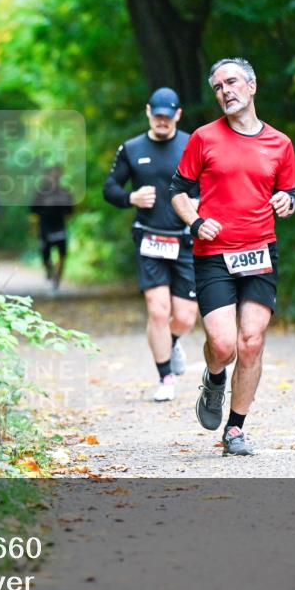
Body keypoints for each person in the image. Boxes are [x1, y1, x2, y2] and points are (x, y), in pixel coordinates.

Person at [169, 57, 295, 456]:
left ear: (252, 86)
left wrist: (285, 202)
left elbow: (290, 195)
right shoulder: (204, 138)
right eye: (218, 87)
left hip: (260, 253)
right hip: (214, 254)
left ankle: (235, 429)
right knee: (223, 346)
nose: (226, 91)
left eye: (232, 82)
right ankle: (213, 377)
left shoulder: (280, 144)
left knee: (252, 341)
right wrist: (195, 222)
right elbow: (178, 191)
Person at [104, 87, 199, 403]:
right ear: (148, 112)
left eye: (167, 117)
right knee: (158, 311)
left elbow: (210, 184)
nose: (162, 121)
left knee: (185, 317)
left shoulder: (191, 144)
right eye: (157, 116)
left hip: (185, 240)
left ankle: (171, 343)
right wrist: (130, 197)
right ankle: (165, 377)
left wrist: (199, 204)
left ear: (178, 116)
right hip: (149, 238)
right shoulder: (131, 148)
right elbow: (110, 188)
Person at [30, 165, 74, 292]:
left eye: (57, 175)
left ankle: (57, 281)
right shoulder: (40, 193)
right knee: (45, 255)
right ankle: (50, 272)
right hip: (45, 227)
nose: (54, 177)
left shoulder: (65, 192)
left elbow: (70, 210)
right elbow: (33, 210)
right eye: (52, 174)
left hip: (60, 226)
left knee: (62, 254)